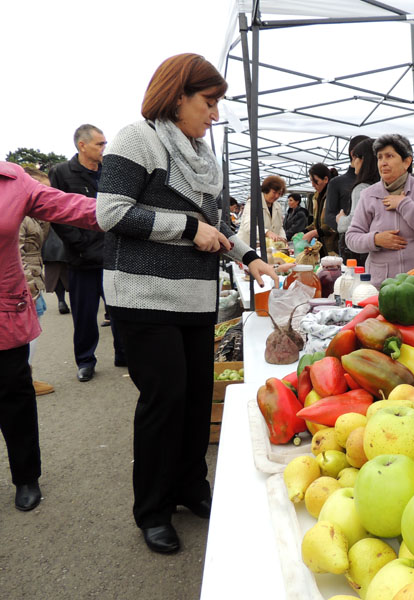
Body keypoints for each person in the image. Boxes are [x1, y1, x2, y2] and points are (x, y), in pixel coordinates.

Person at [96, 53, 277, 554]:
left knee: (199, 395)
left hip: (196, 299)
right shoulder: (138, 138)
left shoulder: (203, 157)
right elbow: (110, 212)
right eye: (209, 102)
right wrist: (187, 228)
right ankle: (151, 509)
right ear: (178, 95)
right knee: (165, 398)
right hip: (144, 296)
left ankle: (190, 487)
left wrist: (251, 258)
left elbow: (216, 223)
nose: (215, 115)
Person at [1, 161, 100, 512]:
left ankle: (26, 476)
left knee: (14, 395)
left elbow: (68, 205)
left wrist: (126, 210)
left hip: (3, 310)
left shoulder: (12, 180)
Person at [49, 124, 125, 382]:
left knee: (120, 310)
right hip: (81, 259)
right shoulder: (61, 172)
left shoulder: (110, 172)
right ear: (82, 145)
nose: (105, 148)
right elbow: (57, 215)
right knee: (84, 315)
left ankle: (123, 353)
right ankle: (85, 360)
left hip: (112, 256)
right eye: (99, 144)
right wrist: (80, 245)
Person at [346, 134, 414, 286]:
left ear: (407, 161)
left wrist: (404, 204)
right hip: (382, 285)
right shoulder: (368, 195)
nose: (383, 163)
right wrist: (376, 239)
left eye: (389, 156)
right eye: (379, 157)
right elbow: (351, 237)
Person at [18, 167, 55, 396]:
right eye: (42, 190)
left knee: (33, 324)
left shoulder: (34, 214)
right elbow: (16, 252)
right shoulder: (19, 215)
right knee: (26, 331)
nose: (48, 195)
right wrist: (24, 287)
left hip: (33, 278)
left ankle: (24, 376)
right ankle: (23, 380)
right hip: (24, 284)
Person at [325, 135, 369, 259]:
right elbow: (329, 216)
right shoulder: (337, 183)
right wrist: (346, 225)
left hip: (373, 244)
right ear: (353, 154)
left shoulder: (378, 182)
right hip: (349, 247)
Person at [337, 137, 378, 265]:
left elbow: (352, 222)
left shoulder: (361, 188)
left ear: (364, 160)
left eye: (355, 158)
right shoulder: (381, 186)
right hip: (376, 251)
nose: (353, 162)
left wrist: (340, 219)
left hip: (359, 253)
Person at [236, 175, 287, 246]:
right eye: (274, 192)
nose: (277, 196)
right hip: (247, 246)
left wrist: (283, 239)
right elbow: (248, 226)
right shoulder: (253, 203)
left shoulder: (277, 206)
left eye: (279, 193)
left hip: (267, 247)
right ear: (266, 189)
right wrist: (267, 232)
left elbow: (280, 227)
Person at [303, 163, 338, 255]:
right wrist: (305, 231)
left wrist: (315, 233)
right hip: (321, 248)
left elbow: (336, 223)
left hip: (334, 248)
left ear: (326, 179)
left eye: (315, 181)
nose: (313, 185)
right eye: (311, 181)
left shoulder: (334, 195)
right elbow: (317, 222)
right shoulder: (316, 197)